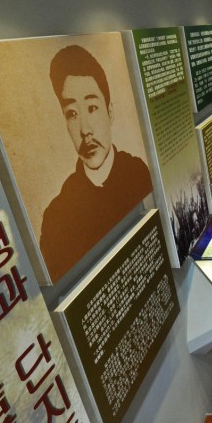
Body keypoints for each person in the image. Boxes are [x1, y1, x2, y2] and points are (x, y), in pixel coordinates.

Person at [40, 44, 153, 282]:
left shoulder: (140, 174)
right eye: (72, 114)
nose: (85, 130)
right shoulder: (56, 218)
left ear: (109, 112)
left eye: (92, 108)